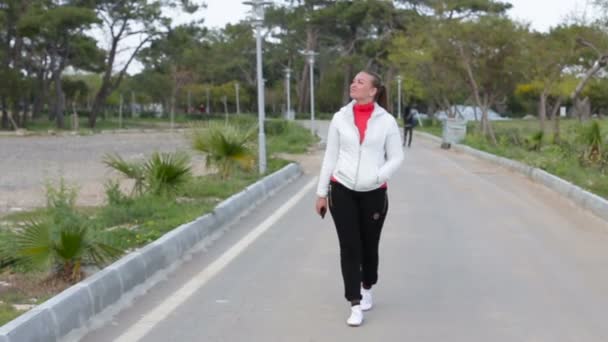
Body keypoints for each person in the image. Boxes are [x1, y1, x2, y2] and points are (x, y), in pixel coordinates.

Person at [315, 70, 404, 327]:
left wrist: (378, 176)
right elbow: (330, 157)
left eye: (360, 82)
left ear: (373, 90)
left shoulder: (386, 121)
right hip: (341, 189)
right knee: (349, 247)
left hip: (374, 193)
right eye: (353, 80)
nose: (354, 84)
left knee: (369, 246)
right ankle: (354, 302)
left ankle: (367, 285)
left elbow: (396, 157)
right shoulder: (340, 118)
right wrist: (321, 192)